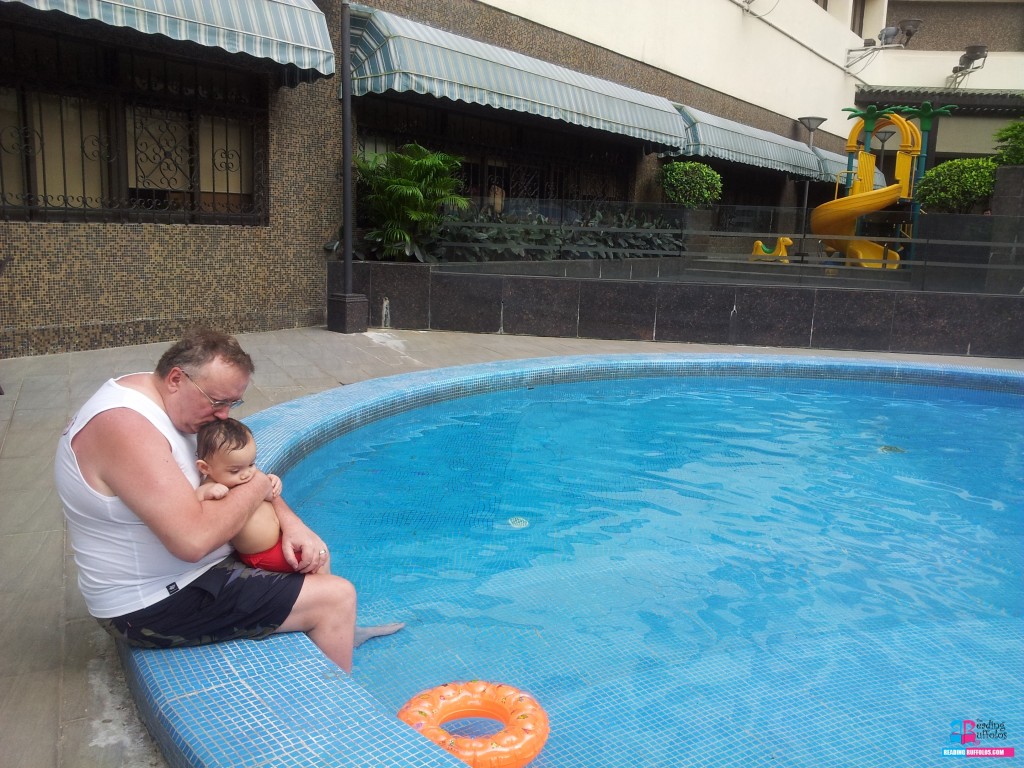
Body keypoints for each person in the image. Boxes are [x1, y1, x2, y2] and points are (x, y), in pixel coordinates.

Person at [55, 327, 401, 673]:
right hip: (154, 602)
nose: (224, 414)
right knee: (336, 598)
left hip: (197, 573)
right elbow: (192, 541)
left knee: (312, 554)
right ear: (176, 378)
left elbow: (238, 470)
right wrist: (261, 484)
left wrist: (292, 523)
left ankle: (338, 635)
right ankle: (336, 711)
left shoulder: (168, 398)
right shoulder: (127, 427)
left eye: (233, 403)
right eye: (218, 401)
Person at [194, 418, 320, 574]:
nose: (247, 474)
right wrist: (208, 491)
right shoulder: (211, 487)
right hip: (261, 554)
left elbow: (268, 495)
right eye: (235, 471)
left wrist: (272, 481)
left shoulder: (238, 477)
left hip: (277, 541)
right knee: (316, 561)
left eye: (251, 464)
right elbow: (195, 503)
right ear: (205, 468)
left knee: (317, 553)